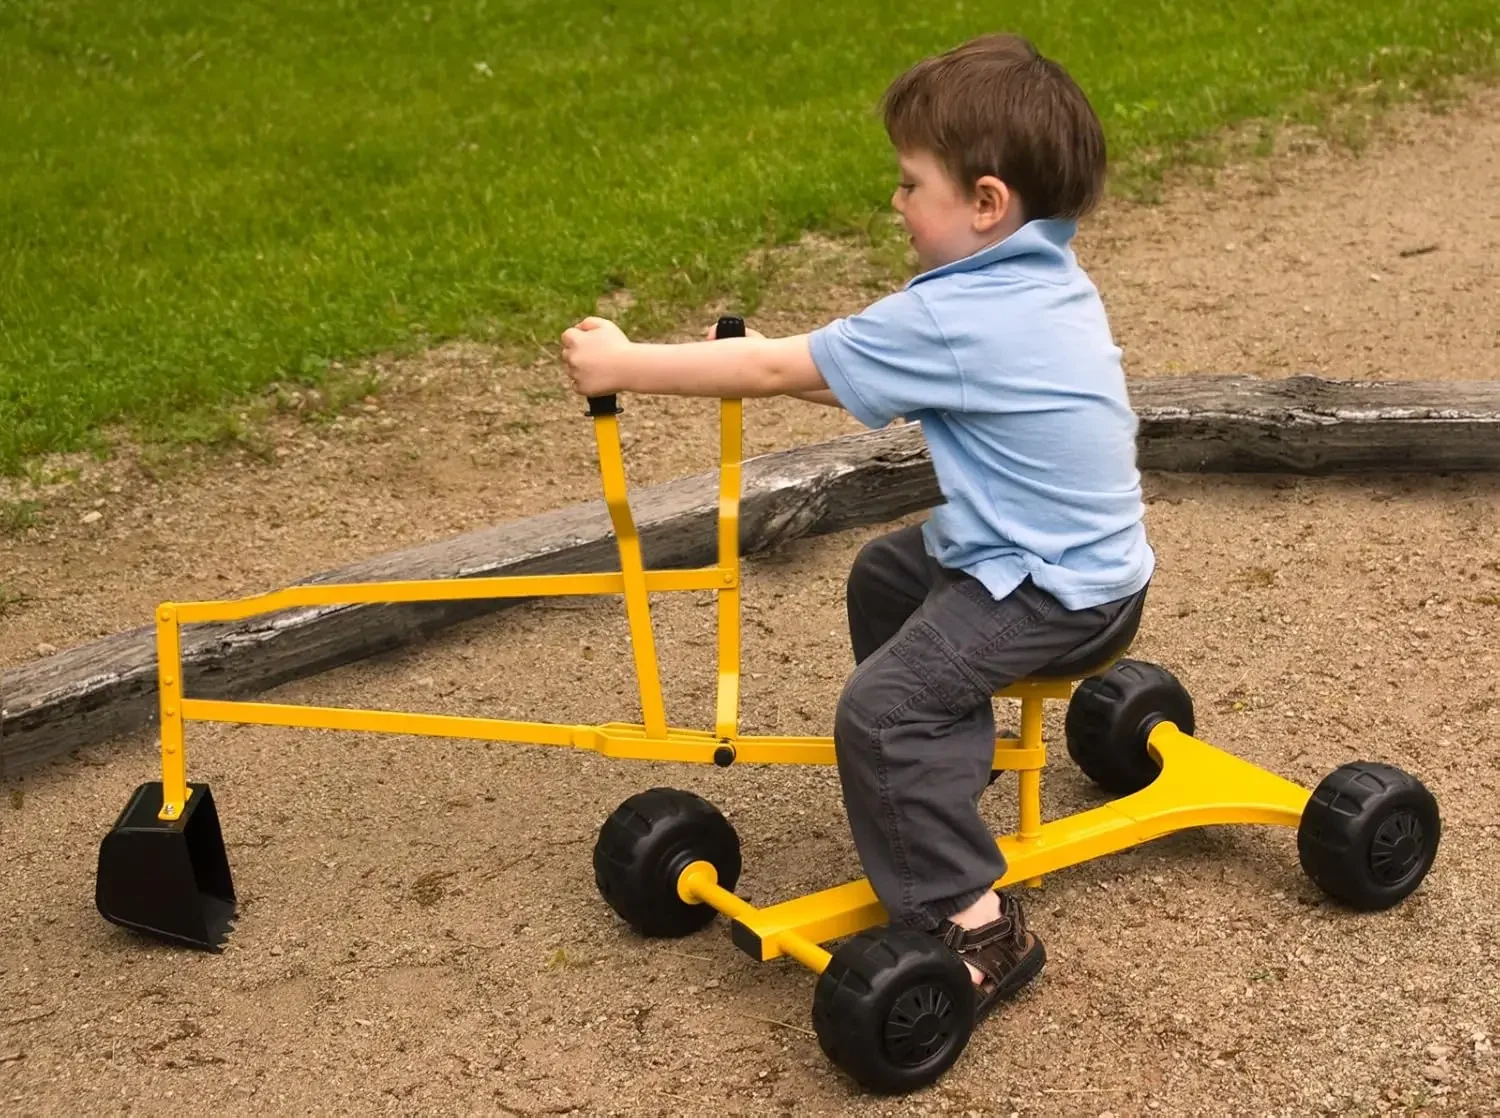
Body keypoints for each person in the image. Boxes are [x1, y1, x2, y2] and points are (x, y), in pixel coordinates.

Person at [559, 32, 1154, 1027]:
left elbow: (780, 370)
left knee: (880, 712)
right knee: (886, 574)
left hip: (1058, 589)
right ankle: (930, 771)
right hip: (1066, 561)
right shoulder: (1033, 274)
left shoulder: (966, 317)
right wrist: (744, 356)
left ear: (986, 203)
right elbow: (836, 352)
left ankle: (978, 921)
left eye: (910, 182)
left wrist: (626, 361)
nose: (896, 201)